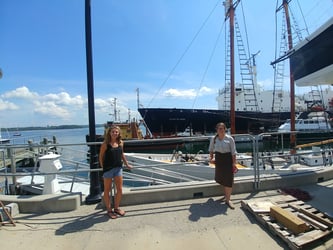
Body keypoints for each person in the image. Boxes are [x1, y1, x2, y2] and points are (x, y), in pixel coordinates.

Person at [99, 125, 132, 219]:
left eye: (116, 132)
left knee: (120, 189)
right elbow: (101, 156)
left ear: (119, 133)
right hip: (108, 169)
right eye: (113, 132)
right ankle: (109, 210)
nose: (115, 133)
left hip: (118, 168)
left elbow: (122, 154)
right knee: (107, 190)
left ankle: (116, 208)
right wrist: (103, 168)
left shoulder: (121, 143)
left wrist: (127, 164)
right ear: (109, 133)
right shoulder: (105, 144)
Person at [208, 122, 238, 209]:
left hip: (228, 160)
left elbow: (233, 152)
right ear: (216, 130)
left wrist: (234, 163)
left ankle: (228, 200)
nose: (220, 130)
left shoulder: (230, 139)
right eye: (219, 128)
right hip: (219, 160)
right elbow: (211, 150)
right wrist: (212, 158)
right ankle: (226, 195)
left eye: (222, 128)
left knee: (228, 179)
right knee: (220, 178)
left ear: (225, 129)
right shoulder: (213, 139)